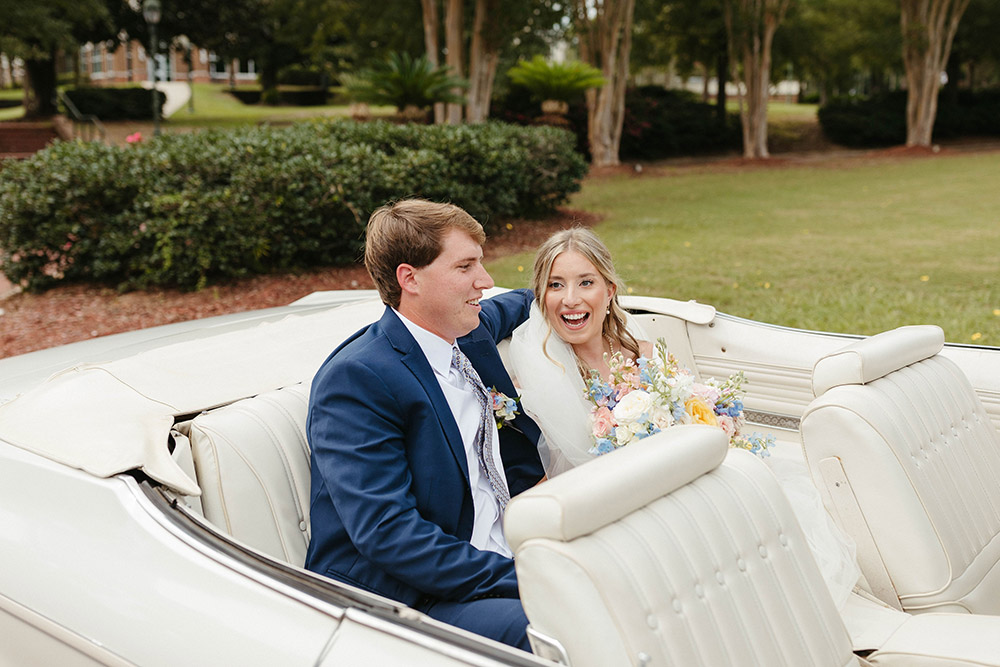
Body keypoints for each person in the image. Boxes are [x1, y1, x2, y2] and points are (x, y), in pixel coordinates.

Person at [508, 227, 861, 610]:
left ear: (609, 291)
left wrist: (716, 424)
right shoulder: (539, 378)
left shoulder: (644, 352)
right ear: (541, 297)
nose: (570, 299)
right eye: (555, 285)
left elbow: (692, 411)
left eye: (586, 282)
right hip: (618, 508)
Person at [305, 199, 544, 651]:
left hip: (502, 554)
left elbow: (513, 304)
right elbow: (389, 533)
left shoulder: (464, 330)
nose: (485, 281)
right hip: (408, 598)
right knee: (570, 622)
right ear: (409, 278)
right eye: (465, 267)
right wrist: (525, 576)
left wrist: (565, 293)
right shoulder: (357, 380)